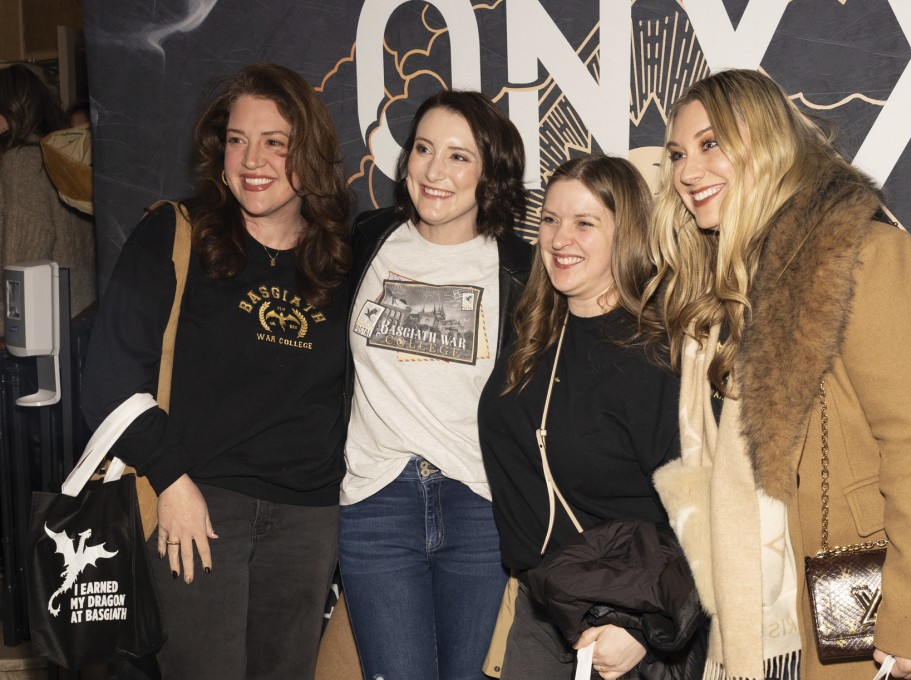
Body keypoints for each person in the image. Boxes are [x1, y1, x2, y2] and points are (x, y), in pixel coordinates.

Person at [648, 69, 911, 680]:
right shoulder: (741, 293)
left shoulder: (869, 259)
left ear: (770, 144)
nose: (688, 172)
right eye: (678, 154)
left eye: (711, 144)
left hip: (898, 602)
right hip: (830, 600)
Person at [82, 63, 352, 679]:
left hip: (309, 518)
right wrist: (171, 481)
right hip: (198, 503)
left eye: (275, 142)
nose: (251, 160)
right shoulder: (174, 234)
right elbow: (108, 383)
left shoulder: (342, 258)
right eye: (237, 139)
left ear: (310, 153)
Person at [479, 155, 697, 680]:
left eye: (584, 222)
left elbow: (707, 513)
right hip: (543, 607)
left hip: (626, 617)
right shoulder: (533, 335)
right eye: (550, 220)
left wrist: (646, 629)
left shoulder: (657, 356)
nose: (560, 239)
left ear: (628, 234)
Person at [339, 89, 532, 679]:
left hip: (479, 505)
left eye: (458, 156)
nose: (433, 170)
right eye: (423, 149)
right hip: (377, 499)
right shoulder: (367, 240)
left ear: (490, 174)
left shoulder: (522, 269)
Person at [0, 64, 95, 333]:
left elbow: (23, 257)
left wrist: (7, 326)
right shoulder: (59, 158)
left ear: (12, 108)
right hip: (77, 319)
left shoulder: (21, 161)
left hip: (42, 331)